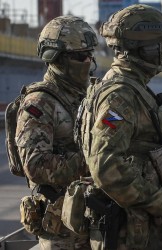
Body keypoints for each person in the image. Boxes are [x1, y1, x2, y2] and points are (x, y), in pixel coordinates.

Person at [77, 4, 162, 250]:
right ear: (146, 49)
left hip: (146, 231)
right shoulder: (120, 96)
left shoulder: (132, 89)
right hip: (135, 235)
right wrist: (161, 203)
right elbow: (105, 165)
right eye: (160, 46)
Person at [15, 15, 98, 249]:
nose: (88, 61)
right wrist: (95, 164)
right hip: (63, 229)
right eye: (81, 56)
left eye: (90, 54)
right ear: (57, 58)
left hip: (95, 219)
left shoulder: (89, 96)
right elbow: (35, 165)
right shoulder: (40, 103)